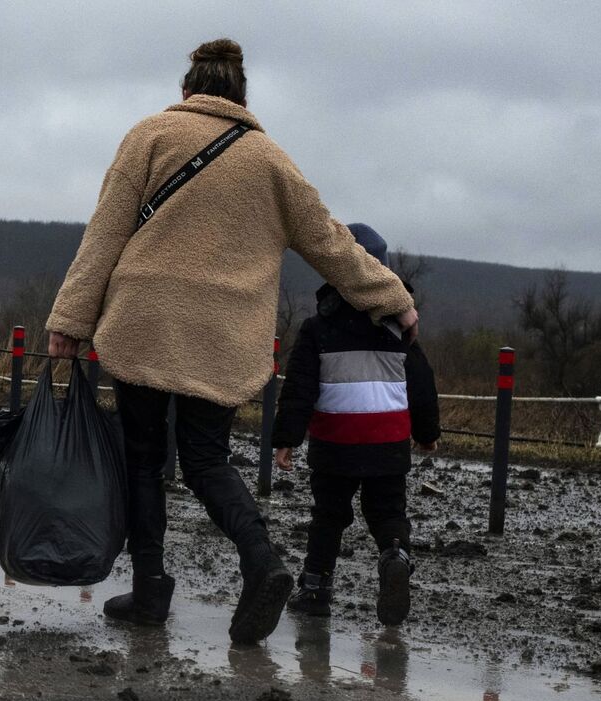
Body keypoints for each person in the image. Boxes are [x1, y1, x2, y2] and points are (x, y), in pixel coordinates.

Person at [45, 38, 418, 644]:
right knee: (205, 460)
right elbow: (331, 243)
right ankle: (262, 561)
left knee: (142, 460)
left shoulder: (149, 137)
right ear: (242, 98)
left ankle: (150, 590)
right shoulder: (271, 160)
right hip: (222, 334)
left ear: (188, 91)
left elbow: (105, 232)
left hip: (146, 320)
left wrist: (70, 319)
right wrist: (393, 299)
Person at [270, 223, 440, 626]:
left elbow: (299, 388)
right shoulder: (401, 330)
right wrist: (427, 433)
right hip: (388, 443)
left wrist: (286, 439)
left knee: (328, 515)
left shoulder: (318, 328)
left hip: (335, 442)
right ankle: (395, 556)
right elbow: (421, 383)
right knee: (387, 512)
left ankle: (314, 589)